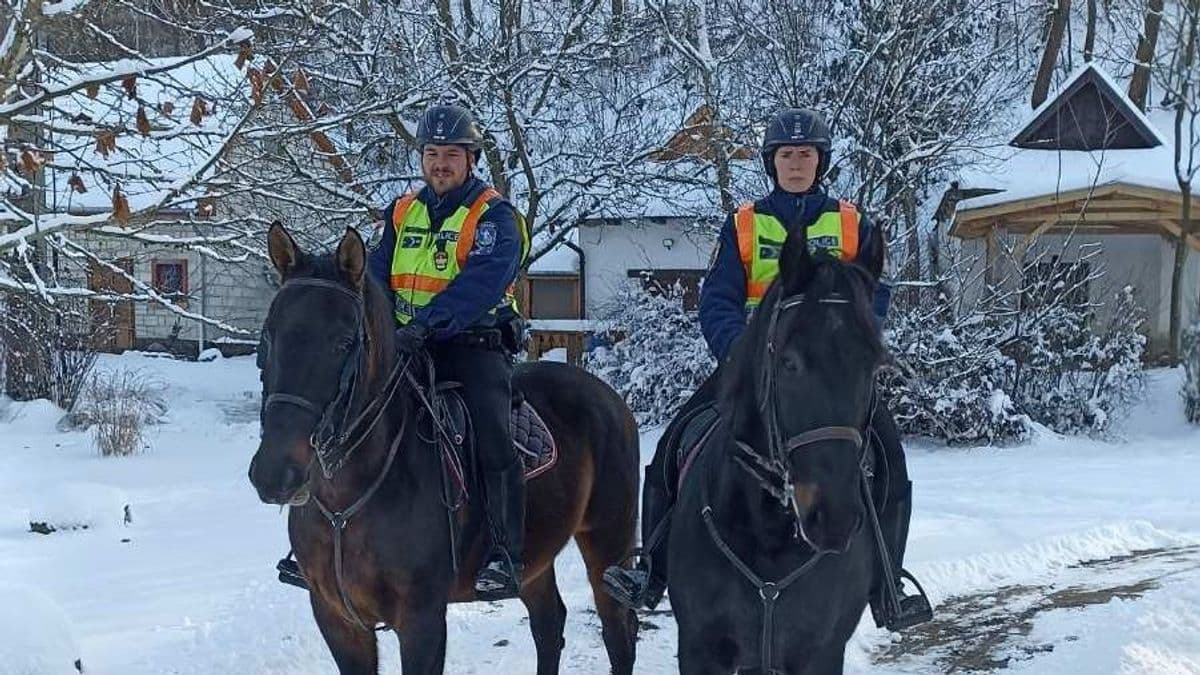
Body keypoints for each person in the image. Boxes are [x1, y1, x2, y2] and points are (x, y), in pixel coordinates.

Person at [602, 108, 932, 631]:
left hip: (827, 373)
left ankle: (888, 585)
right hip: (751, 366)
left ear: (820, 162)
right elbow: (717, 300)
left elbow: (874, 298)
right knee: (673, 445)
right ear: (771, 163)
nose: (796, 163)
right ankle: (654, 571)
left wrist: (850, 346)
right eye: (786, 155)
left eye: (805, 154)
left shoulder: (851, 223)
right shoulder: (744, 225)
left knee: (888, 457)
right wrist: (741, 357)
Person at [369, 103, 529, 600]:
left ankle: (505, 552)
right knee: (343, 406)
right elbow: (376, 271)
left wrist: (426, 325)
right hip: (403, 344)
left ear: (471, 159)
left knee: (490, 433)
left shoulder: (495, 216)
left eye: (451, 154)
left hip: (470, 346)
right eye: (432, 153)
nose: (440, 163)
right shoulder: (402, 211)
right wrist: (375, 319)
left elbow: (482, 283)